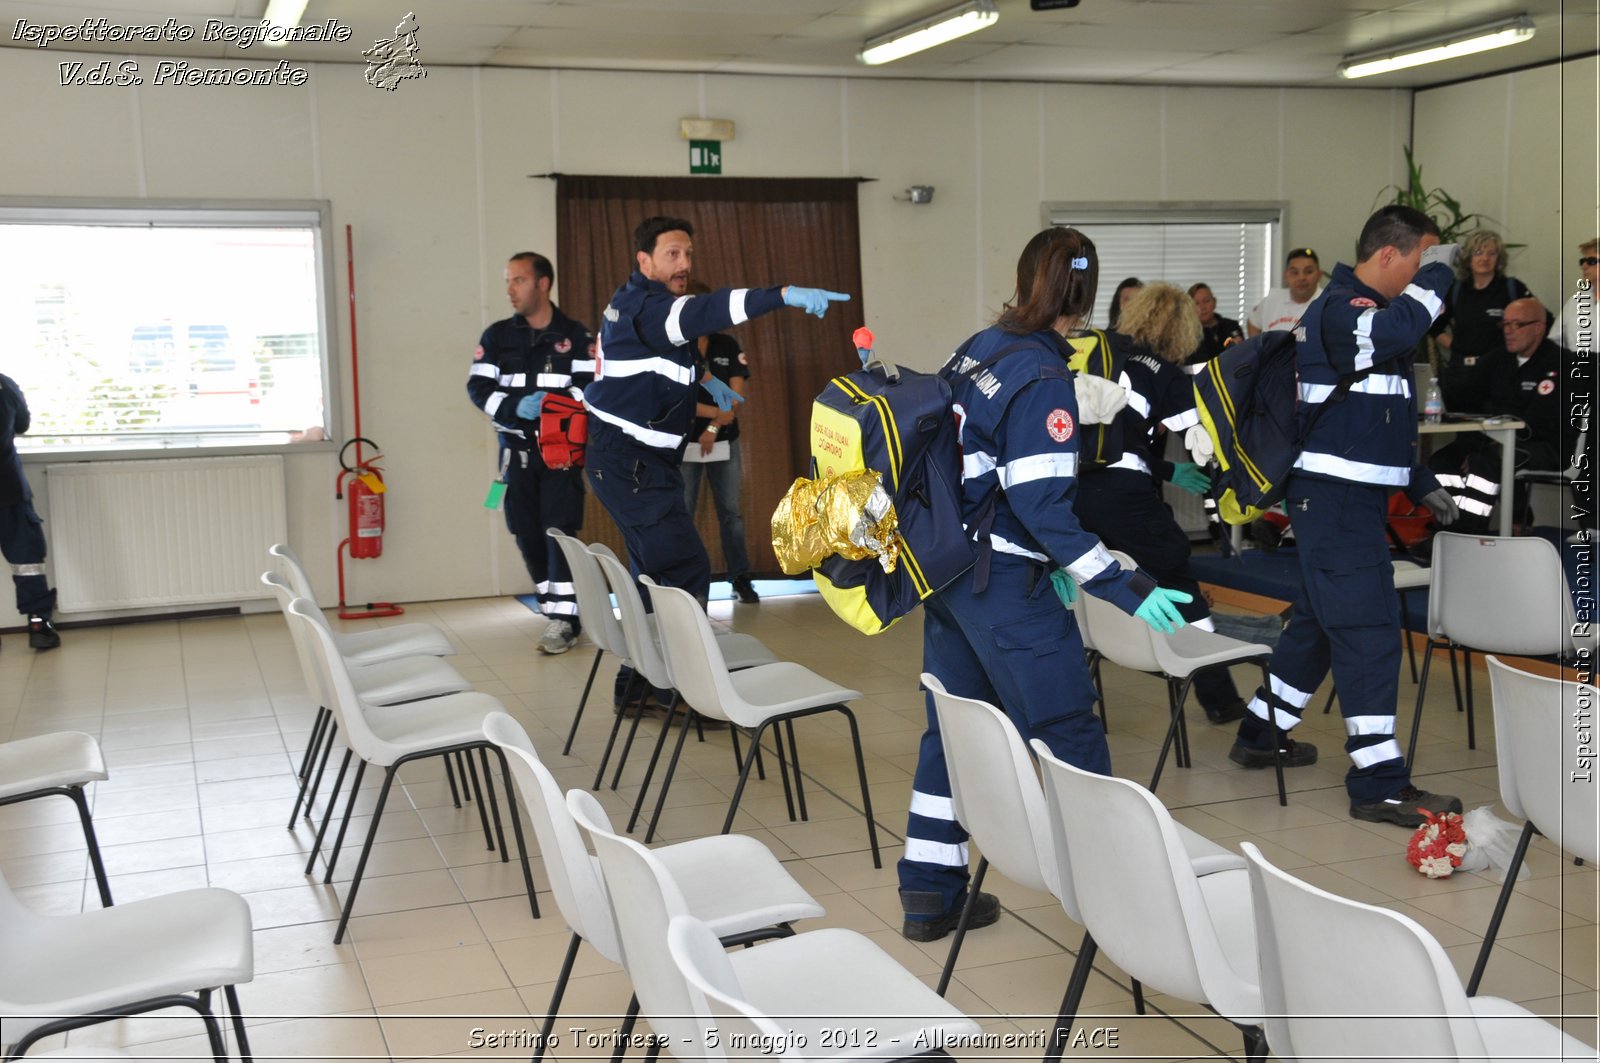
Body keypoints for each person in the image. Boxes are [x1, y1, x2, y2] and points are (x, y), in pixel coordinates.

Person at [900, 228, 1193, 942]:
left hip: (951, 576)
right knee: (1067, 732)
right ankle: (1116, 906)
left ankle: (929, 891)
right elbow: (1044, 509)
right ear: (1086, 295)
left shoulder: (978, 347)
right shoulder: (1041, 377)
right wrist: (1122, 585)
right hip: (1004, 586)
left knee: (950, 730)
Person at [1229, 206, 1464, 829]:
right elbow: (1395, 336)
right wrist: (1439, 279)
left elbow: (1364, 413)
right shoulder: (1343, 310)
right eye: (1422, 259)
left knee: (1318, 622)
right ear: (1390, 255)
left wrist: (1416, 479)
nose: (1427, 274)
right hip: (1334, 502)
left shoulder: (1356, 313)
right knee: (1369, 631)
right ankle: (1379, 781)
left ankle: (1261, 732)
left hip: (1345, 497)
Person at [584, 214, 844, 619]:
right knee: (683, 571)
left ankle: (647, 677)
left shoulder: (629, 299)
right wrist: (782, 294)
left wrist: (705, 378)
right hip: (632, 462)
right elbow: (711, 309)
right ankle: (674, 672)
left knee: (655, 573)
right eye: (672, 253)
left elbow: (661, 351)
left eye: (688, 253)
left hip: (629, 459)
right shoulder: (651, 308)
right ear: (644, 261)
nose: (684, 263)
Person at [1074, 282, 1246, 724]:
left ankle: (1076, 690)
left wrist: (1166, 472)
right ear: (1182, 330)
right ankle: (1220, 699)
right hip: (1126, 498)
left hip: (1072, 494)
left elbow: (1116, 434)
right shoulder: (1162, 370)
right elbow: (1203, 432)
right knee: (1177, 576)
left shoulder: (1104, 355)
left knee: (1083, 580)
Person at [467, 252, 594, 655]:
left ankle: (564, 619)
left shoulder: (576, 337)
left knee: (558, 532)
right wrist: (514, 407)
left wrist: (555, 406)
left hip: (560, 456)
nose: (509, 289)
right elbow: (478, 389)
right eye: (508, 280)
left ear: (543, 284)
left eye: (518, 280)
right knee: (526, 534)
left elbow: (592, 389)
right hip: (516, 456)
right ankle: (552, 606)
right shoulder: (497, 336)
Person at [680, 282, 759, 605]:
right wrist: (714, 413)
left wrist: (713, 425)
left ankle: (740, 578)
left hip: (723, 441)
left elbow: (736, 396)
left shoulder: (726, 344)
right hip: (684, 442)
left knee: (731, 513)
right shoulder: (676, 347)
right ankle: (685, 584)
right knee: (683, 512)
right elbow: (675, 398)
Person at [1433, 229, 1532, 413]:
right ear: (1468, 258)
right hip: (1461, 374)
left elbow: (1538, 320)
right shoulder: (1456, 290)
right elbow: (1434, 326)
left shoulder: (1511, 288)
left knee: (1496, 432)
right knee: (1462, 431)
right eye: (1478, 252)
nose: (1484, 258)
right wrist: (1456, 346)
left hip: (1499, 375)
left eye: (1491, 253)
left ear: (1499, 258)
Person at [0, 374, 60, 650]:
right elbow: (22, 424)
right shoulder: (4, 384)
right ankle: (38, 624)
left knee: (28, 560)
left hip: (9, 491)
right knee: (27, 560)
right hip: (8, 490)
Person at [1247, 247, 1322, 336]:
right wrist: (1259, 349)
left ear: (1319, 275)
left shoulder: (1329, 304)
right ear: (1286, 275)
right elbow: (1253, 322)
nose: (1302, 278)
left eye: (1308, 272)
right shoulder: (1271, 301)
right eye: (1295, 272)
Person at [1548, 236, 1597, 351]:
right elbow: (1554, 341)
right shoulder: (1576, 301)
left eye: (1591, 261)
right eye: (1582, 261)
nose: (1584, 266)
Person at [1187, 281, 1244, 364]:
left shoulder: (1231, 326)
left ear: (1214, 302)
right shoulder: (1187, 334)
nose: (1203, 307)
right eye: (1197, 303)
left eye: (1207, 301)